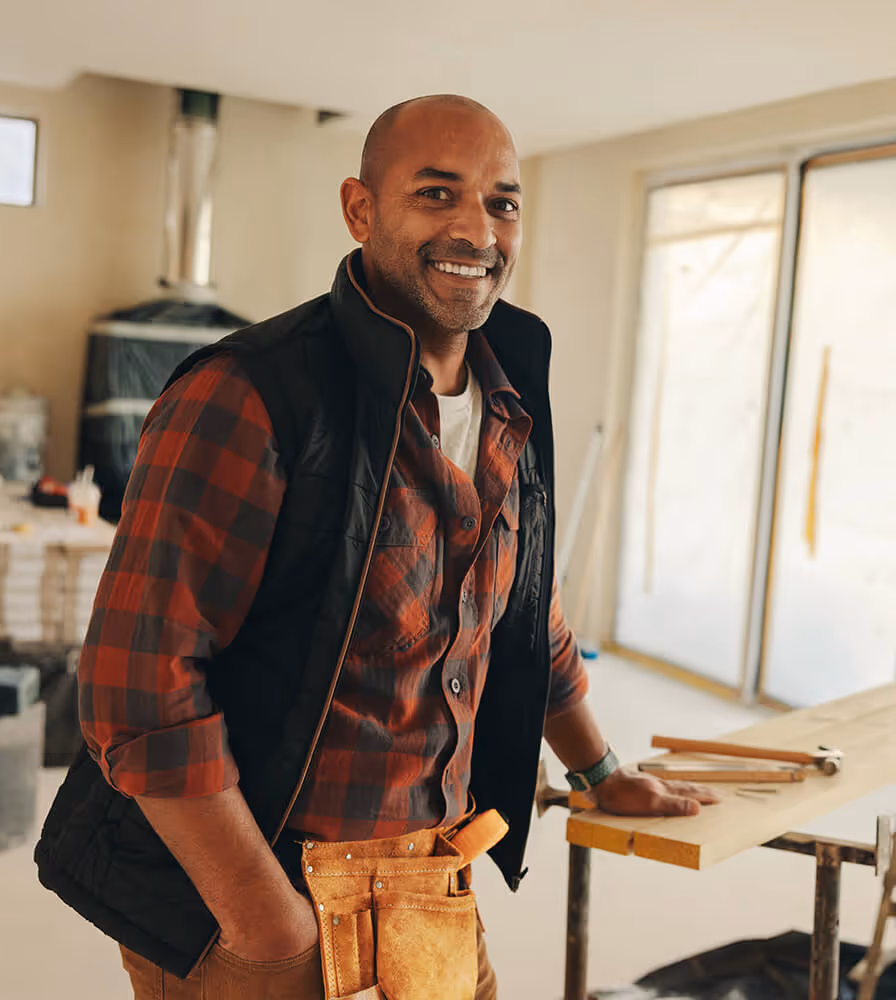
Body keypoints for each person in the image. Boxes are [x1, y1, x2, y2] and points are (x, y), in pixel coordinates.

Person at [35, 94, 717, 1000]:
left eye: (502, 202)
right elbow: (135, 689)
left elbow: (524, 613)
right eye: (437, 194)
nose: (477, 227)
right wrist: (268, 926)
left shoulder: (510, 398)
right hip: (260, 896)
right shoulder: (250, 395)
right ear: (361, 209)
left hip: (435, 874)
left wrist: (599, 771)